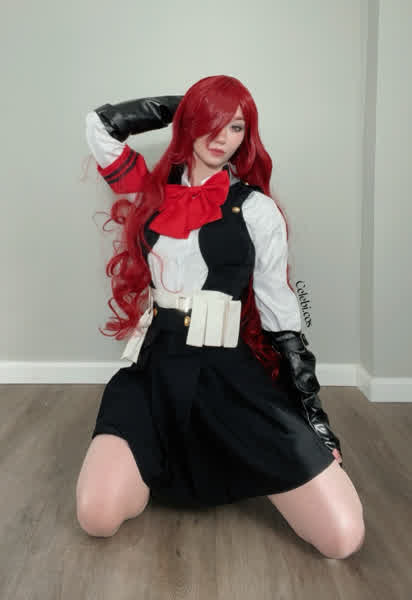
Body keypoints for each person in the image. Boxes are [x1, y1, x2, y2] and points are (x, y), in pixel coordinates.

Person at [76, 75, 365, 558]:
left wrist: (314, 418)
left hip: (229, 374)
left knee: (342, 537)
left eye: (235, 127)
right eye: (210, 123)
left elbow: (282, 317)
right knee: (97, 516)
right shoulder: (150, 191)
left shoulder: (258, 211)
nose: (221, 137)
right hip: (155, 372)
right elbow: (99, 125)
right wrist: (189, 108)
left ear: (246, 138)